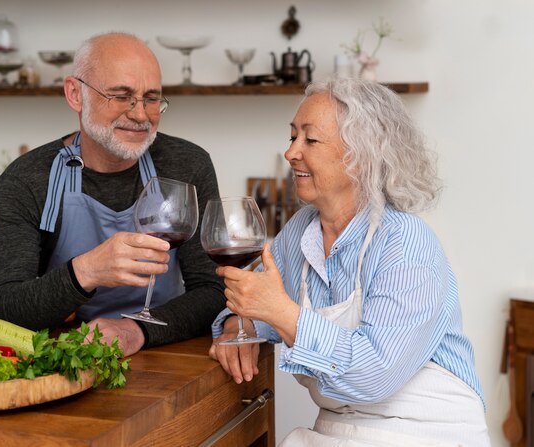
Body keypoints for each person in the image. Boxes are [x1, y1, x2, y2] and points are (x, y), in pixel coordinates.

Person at [209, 78, 490, 446]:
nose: (291, 152)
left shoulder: (406, 243)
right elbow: (256, 301)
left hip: (427, 429)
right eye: (292, 137)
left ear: (360, 155)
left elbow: (374, 374)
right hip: (340, 430)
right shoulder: (299, 233)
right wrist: (236, 325)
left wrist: (281, 314)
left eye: (309, 140)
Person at [0, 32, 225, 356]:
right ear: (75, 94)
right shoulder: (25, 180)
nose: (140, 115)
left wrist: (135, 330)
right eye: (121, 96)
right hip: (65, 359)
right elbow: (1, 310)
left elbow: (213, 291)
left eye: (151, 98)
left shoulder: (188, 165)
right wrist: (88, 271)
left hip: (166, 353)